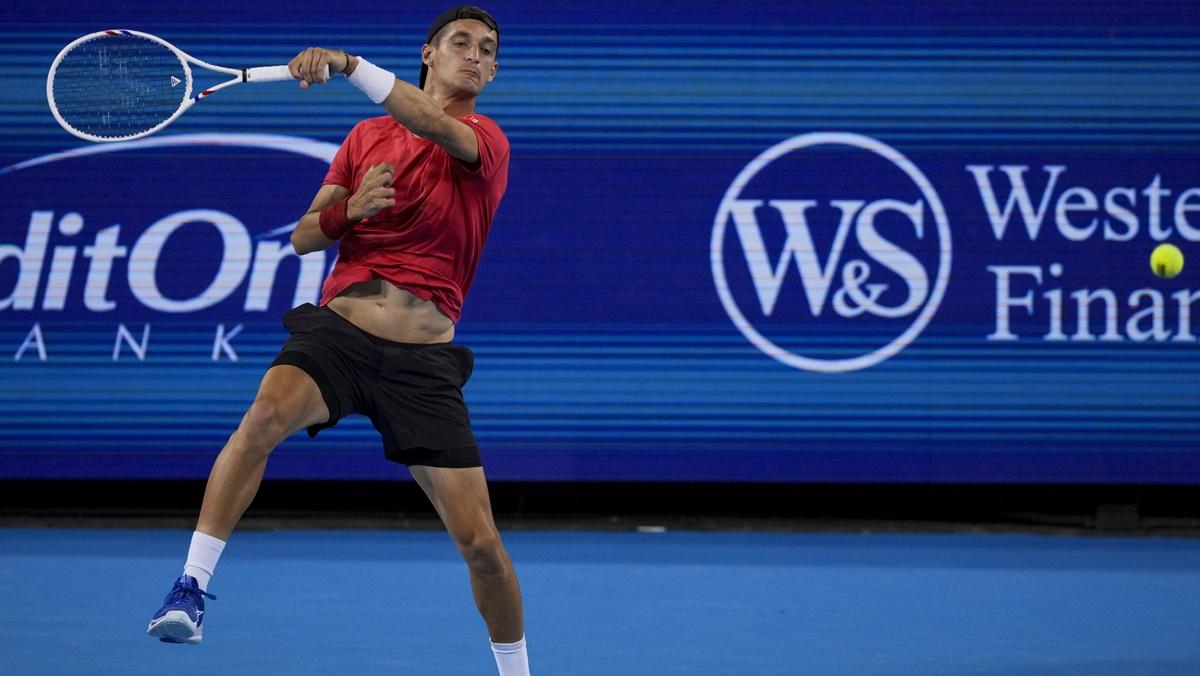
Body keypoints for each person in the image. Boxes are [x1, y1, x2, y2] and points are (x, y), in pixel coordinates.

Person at [146, 6, 529, 674]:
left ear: (492, 72)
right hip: (342, 334)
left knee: (482, 549)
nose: (475, 55)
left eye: (487, 50)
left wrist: (349, 64)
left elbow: (428, 121)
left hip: (423, 362)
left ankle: (516, 670)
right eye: (461, 43)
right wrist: (348, 211)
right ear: (428, 55)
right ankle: (191, 587)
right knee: (263, 416)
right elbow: (302, 237)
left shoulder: (484, 140)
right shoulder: (364, 136)